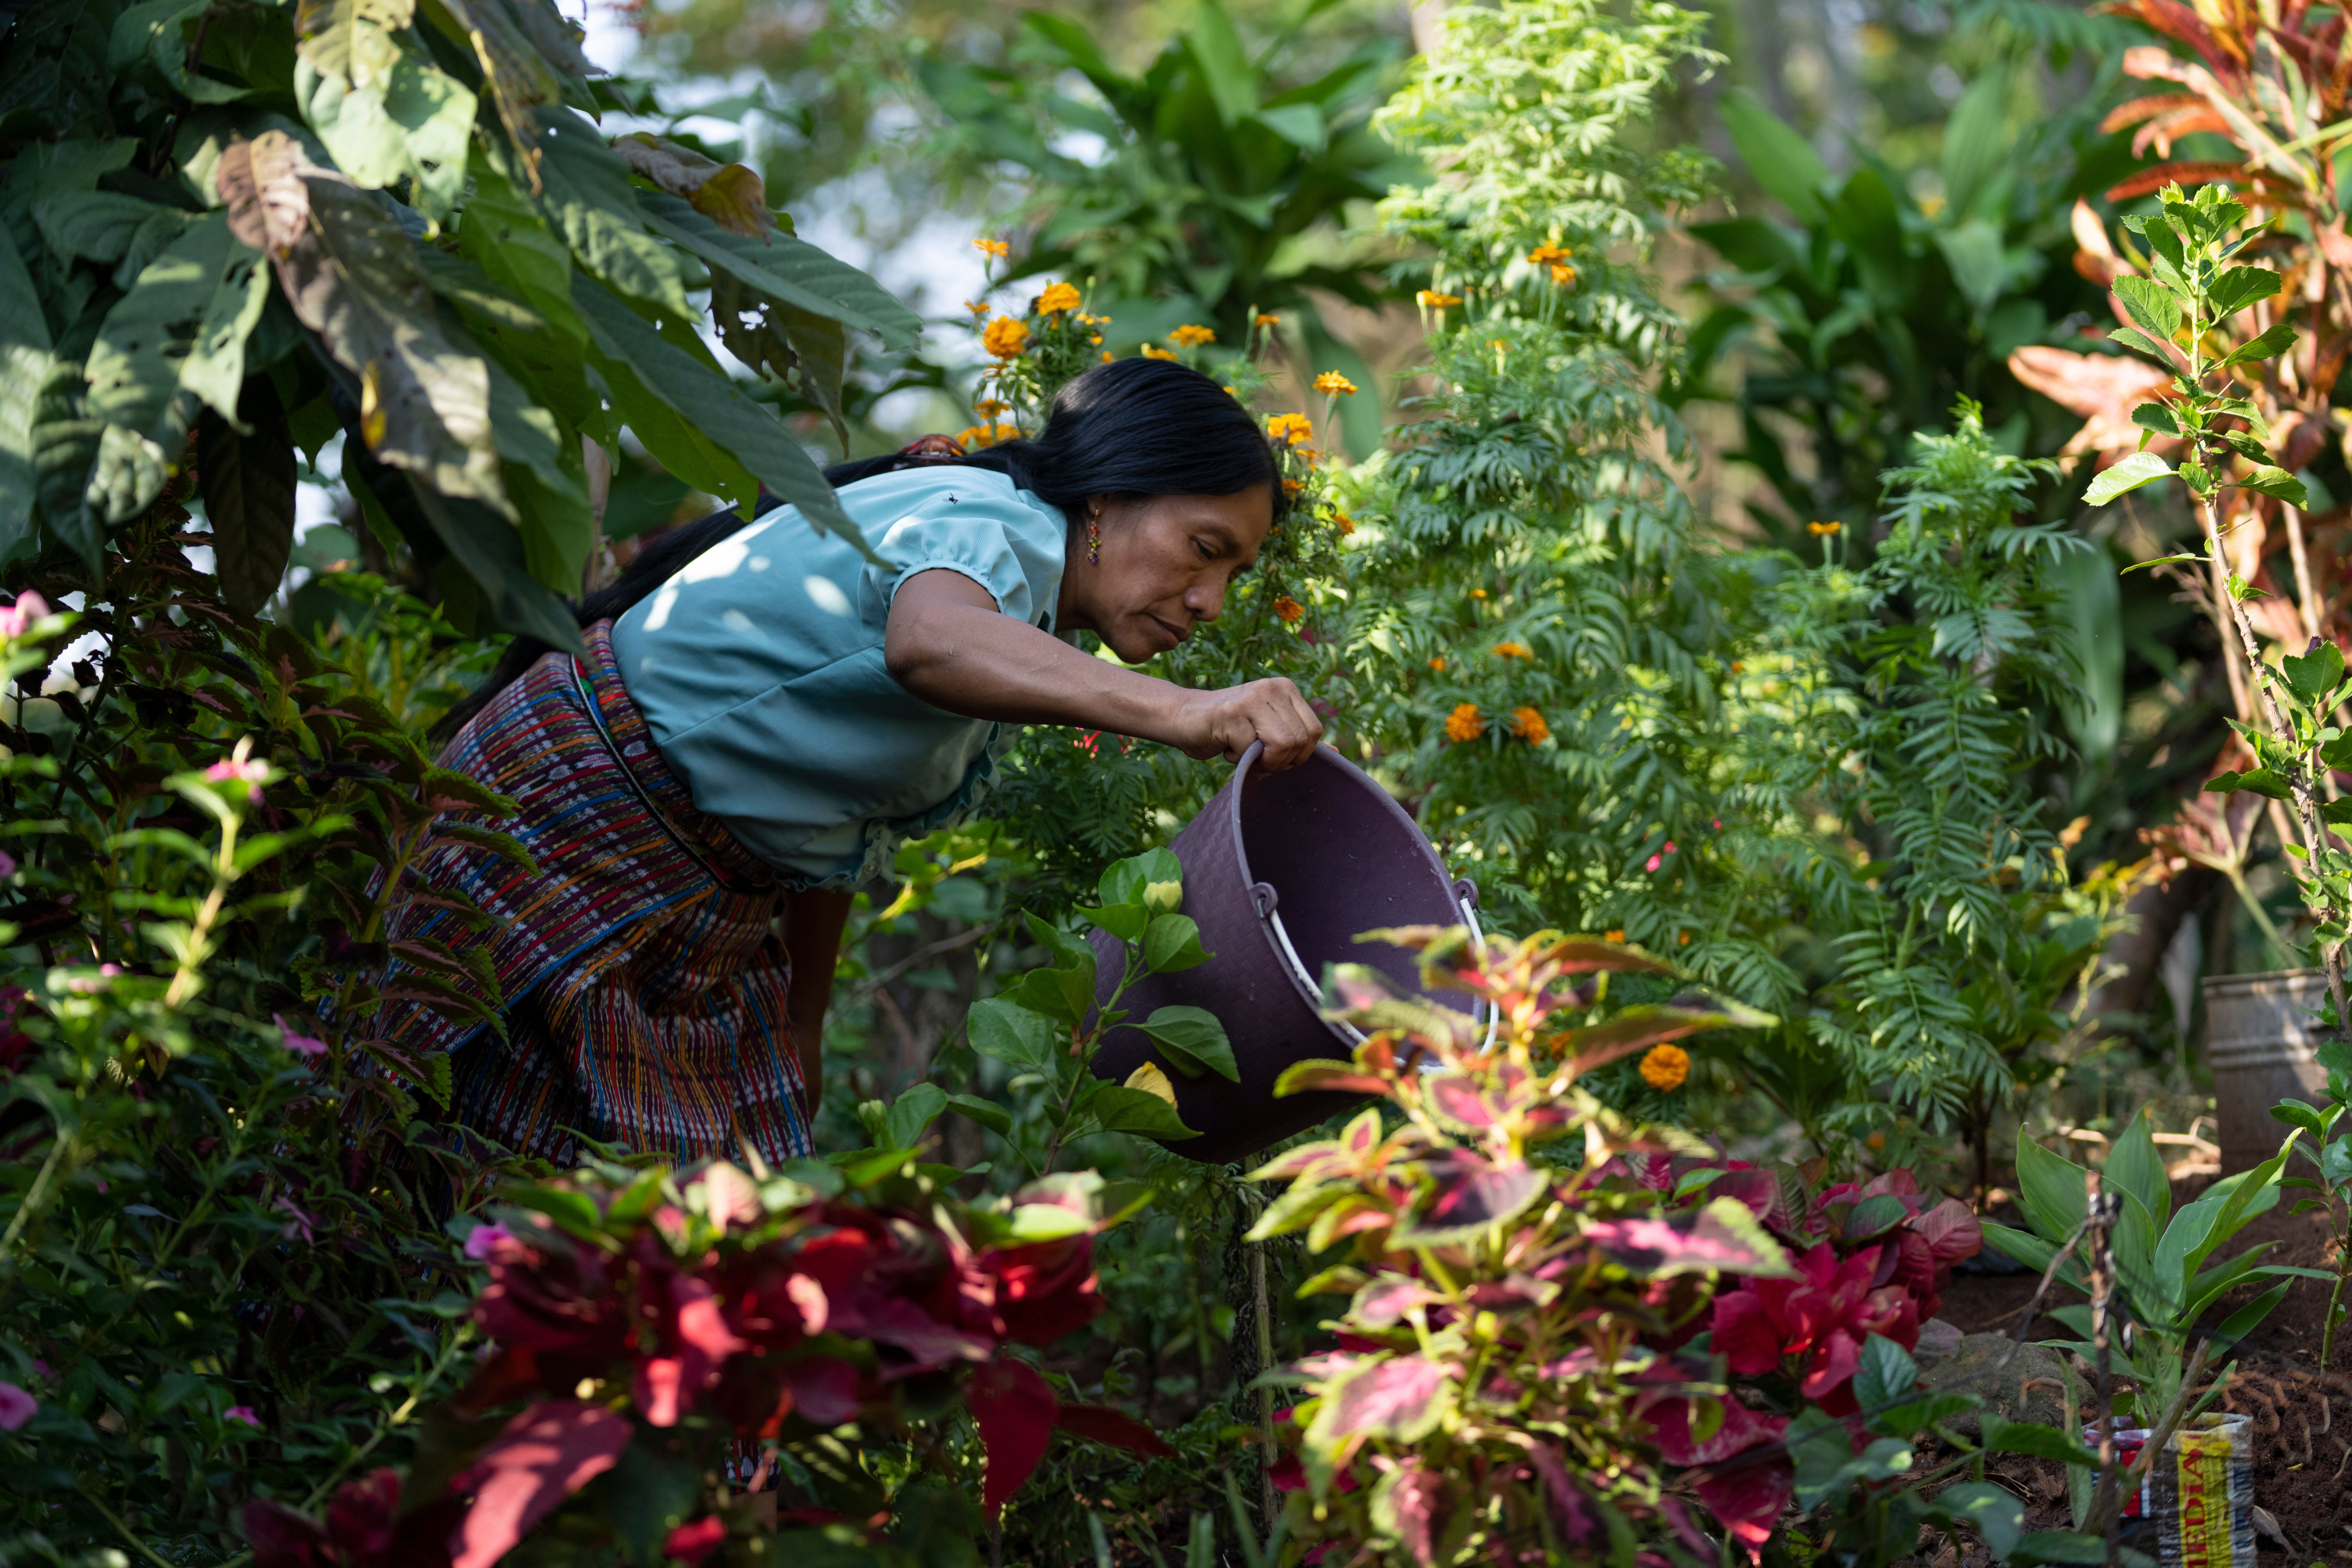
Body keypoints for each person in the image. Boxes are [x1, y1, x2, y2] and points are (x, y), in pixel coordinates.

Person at [370, 358, 1324, 1168]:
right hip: (578, 814)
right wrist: (1188, 713)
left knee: (653, 1214)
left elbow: (830, 816)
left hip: (688, 876)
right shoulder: (995, 524)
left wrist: (801, 1025)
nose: (1210, 601)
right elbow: (929, 641)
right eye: (1205, 551)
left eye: (1234, 575)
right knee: (424, 1138)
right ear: (1107, 496)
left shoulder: (1017, 597)